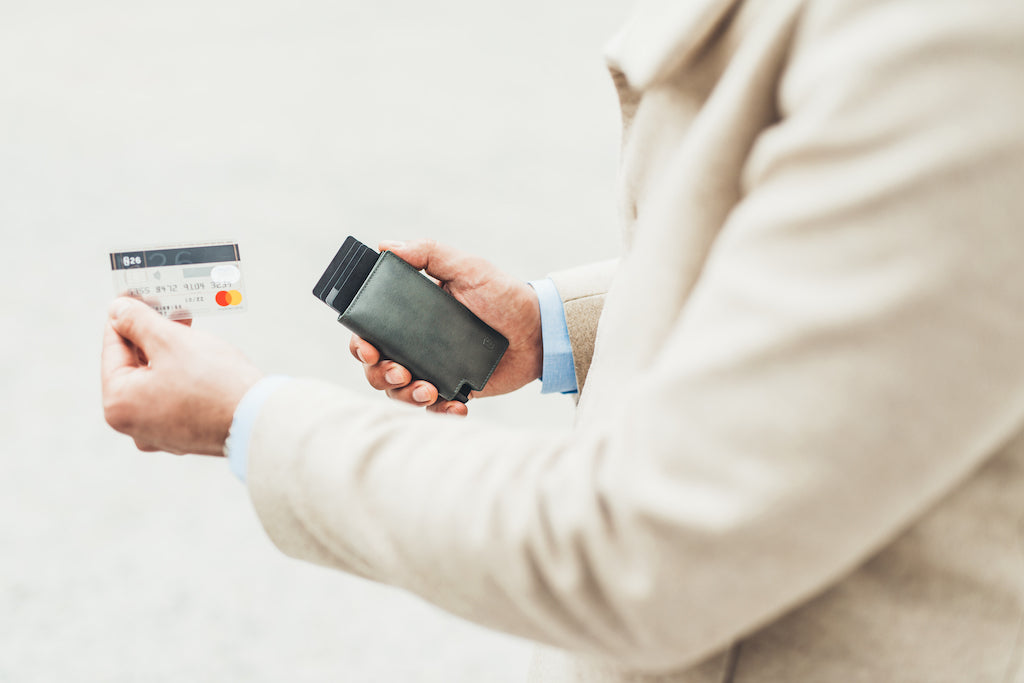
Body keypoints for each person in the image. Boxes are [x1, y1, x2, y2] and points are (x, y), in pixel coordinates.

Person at [101, 0, 1024, 680]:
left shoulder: (959, 50)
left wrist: (254, 423)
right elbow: (849, 266)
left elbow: (633, 549)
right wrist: (551, 325)